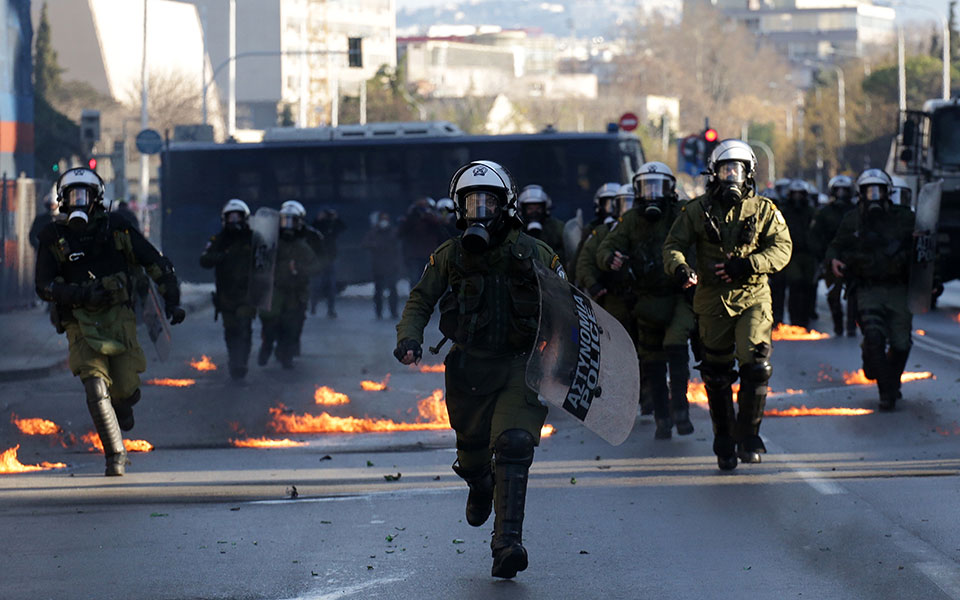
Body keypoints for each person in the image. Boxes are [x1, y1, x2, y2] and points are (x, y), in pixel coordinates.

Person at [394, 160, 564, 579]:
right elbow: (420, 299)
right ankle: (478, 483)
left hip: (521, 365)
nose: (481, 212)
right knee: (472, 455)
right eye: (473, 204)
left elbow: (567, 307)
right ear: (459, 208)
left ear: (507, 205)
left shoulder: (536, 253)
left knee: (515, 443)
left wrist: (567, 360)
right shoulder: (450, 255)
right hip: (469, 370)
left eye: (490, 202)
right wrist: (409, 338)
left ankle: (507, 544)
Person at [35, 167, 185, 476]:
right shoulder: (53, 238)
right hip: (80, 320)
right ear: (63, 201)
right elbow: (43, 285)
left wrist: (172, 298)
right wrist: (79, 294)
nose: (78, 201)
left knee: (125, 389)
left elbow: (153, 261)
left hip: (119, 319)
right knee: (94, 383)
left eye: (84, 195)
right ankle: (115, 455)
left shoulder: (117, 229)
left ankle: (124, 405)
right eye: (72, 196)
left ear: (97, 199)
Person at [662, 140, 792, 470]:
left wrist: (749, 264)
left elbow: (782, 249)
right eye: (725, 170)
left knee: (756, 363)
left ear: (749, 173)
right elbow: (673, 245)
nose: (731, 175)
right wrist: (681, 268)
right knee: (716, 373)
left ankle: (748, 436)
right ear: (714, 173)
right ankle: (724, 438)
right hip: (712, 300)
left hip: (752, 295)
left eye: (737, 169)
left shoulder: (764, 210)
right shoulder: (697, 210)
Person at [597, 163, 697, 439]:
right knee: (652, 359)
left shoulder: (682, 214)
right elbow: (605, 248)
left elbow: (700, 237)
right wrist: (610, 259)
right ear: (638, 191)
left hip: (679, 294)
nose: (652, 194)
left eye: (658, 187)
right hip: (647, 298)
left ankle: (680, 407)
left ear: (670, 190)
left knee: (676, 344)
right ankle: (662, 418)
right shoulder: (630, 220)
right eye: (646, 187)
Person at [826, 169, 916, 411]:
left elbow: (924, 248)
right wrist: (834, 259)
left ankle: (892, 380)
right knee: (874, 336)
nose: (874, 196)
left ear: (888, 192)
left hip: (898, 289)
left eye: (879, 191)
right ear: (861, 193)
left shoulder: (904, 217)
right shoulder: (852, 219)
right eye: (869, 191)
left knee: (901, 344)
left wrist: (932, 279)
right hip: (867, 289)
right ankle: (886, 392)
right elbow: (836, 245)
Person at [258, 203, 322, 369]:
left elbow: (315, 266)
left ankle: (285, 356)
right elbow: (259, 263)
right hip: (275, 291)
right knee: (270, 324)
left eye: (292, 221)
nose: (287, 225)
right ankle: (267, 345)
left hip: (295, 292)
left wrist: (298, 269)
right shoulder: (271, 243)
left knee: (291, 326)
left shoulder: (302, 246)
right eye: (284, 221)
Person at [200, 199, 255, 380]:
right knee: (231, 330)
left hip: (247, 294)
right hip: (226, 295)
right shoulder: (219, 239)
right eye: (231, 217)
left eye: (237, 217)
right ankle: (234, 361)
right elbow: (205, 260)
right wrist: (222, 256)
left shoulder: (253, 238)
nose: (234, 221)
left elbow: (267, 259)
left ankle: (242, 362)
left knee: (244, 327)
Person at [811, 175, 858, 336]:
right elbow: (815, 235)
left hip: (853, 258)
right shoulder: (824, 212)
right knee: (833, 294)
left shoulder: (857, 212)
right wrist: (823, 255)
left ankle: (851, 325)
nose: (841, 194)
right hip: (831, 258)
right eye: (838, 190)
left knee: (853, 293)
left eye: (845, 191)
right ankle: (838, 323)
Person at [780, 179, 818, 328]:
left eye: (800, 194)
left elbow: (818, 232)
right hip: (792, 254)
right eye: (794, 194)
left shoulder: (811, 212)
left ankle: (805, 318)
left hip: (809, 254)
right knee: (795, 285)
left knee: (808, 287)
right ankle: (795, 319)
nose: (797, 197)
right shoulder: (784, 212)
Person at [567, 182, 620, 283]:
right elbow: (580, 261)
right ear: (599, 206)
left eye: (616, 204)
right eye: (607, 205)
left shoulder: (629, 226)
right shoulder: (592, 230)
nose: (611, 210)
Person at [398, 197, 447, 288]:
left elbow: (440, 226)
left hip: (430, 254)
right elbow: (401, 233)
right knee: (415, 280)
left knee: (430, 279)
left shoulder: (432, 217)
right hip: (414, 255)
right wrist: (413, 216)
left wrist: (427, 215)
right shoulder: (411, 219)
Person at [362, 211, 402, 319]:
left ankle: (393, 311)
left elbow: (398, 245)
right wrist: (373, 245)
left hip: (391, 265)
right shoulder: (374, 232)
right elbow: (365, 243)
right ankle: (378, 311)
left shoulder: (393, 232)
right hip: (378, 266)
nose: (384, 221)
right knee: (378, 291)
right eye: (382, 219)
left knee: (392, 290)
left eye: (386, 219)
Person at [517, 184, 566, 266]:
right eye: (530, 209)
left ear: (545, 209)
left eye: (538, 208)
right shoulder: (516, 228)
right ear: (522, 210)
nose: (534, 213)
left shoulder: (557, 228)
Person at [310, 207, 346, 318]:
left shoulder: (332, 225)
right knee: (316, 285)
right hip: (319, 258)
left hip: (330, 257)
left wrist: (336, 219)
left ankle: (331, 309)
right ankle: (313, 306)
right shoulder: (318, 225)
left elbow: (343, 228)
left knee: (331, 285)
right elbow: (311, 230)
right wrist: (318, 220)